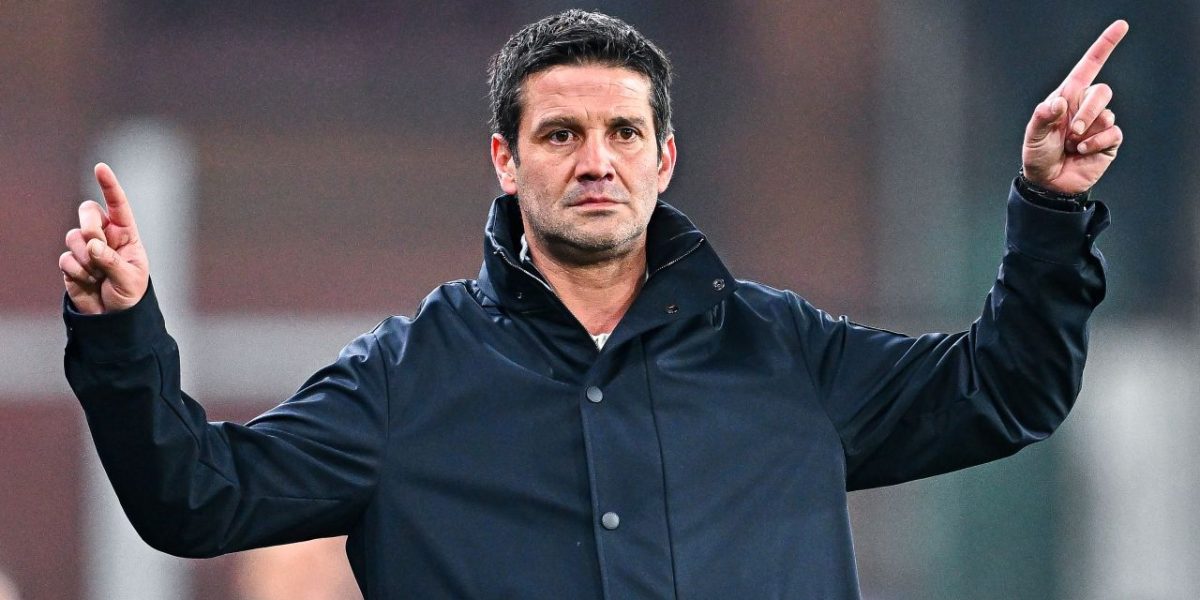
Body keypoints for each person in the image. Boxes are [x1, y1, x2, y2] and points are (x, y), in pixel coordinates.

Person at [59, 10, 1125, 599]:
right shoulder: (406, 378)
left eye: (622, 134)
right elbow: (196, 499)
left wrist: (1048, 206)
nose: (595, 162)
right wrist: (119, 332)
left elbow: (1007, 390)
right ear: (505, 160)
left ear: (665, 159)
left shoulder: (784, 354)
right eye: (560, 135)